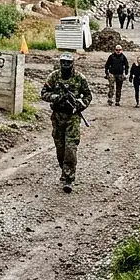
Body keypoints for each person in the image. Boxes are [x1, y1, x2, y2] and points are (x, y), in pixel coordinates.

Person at [41, 53, 92, 192]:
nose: (65, 65)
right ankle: (64, 170)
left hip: (73, 117)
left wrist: (80, 104)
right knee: (60, 148)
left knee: (71, 148)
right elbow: (44, 93)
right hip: (57, 117)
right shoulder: (54, 76)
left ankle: (69, 178)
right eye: (63, 62)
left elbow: (88, 95)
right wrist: (57, 97)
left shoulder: (80, 78)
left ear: (73, 64)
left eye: (68, 63)